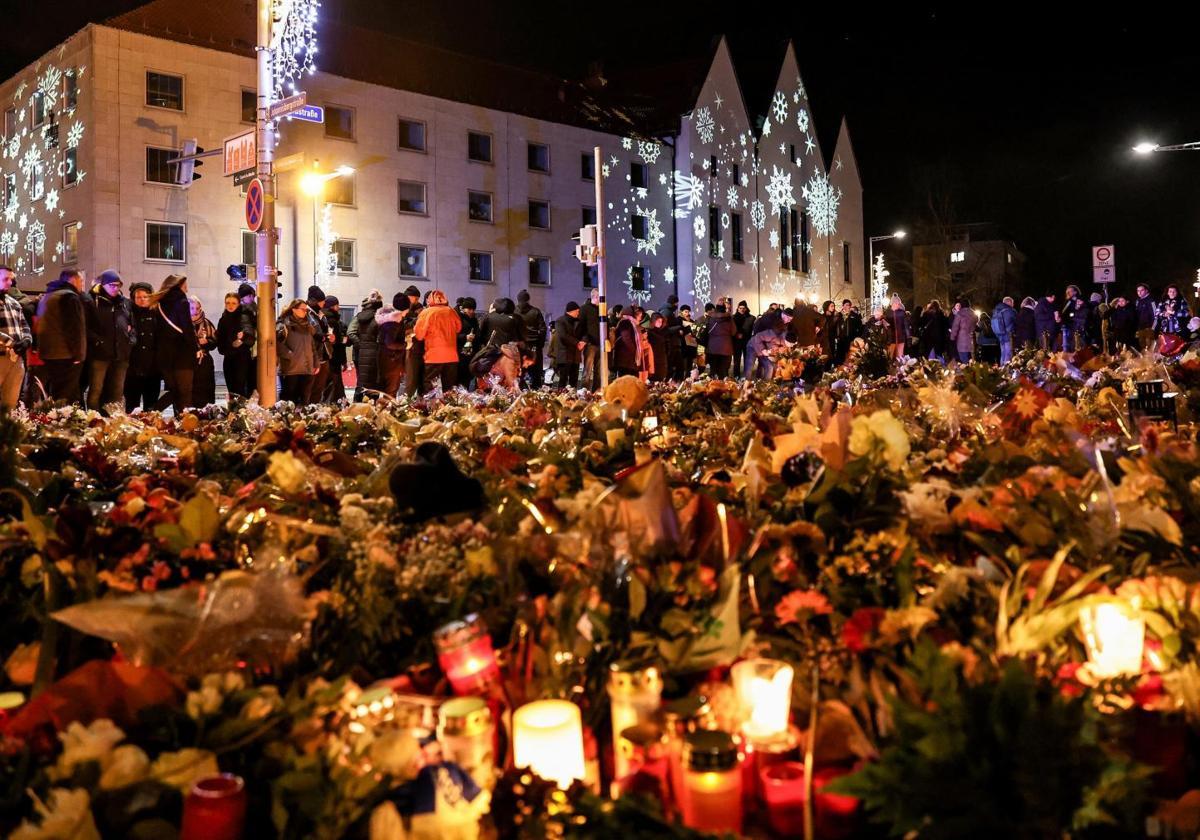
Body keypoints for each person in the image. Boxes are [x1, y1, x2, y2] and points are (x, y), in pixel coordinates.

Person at [84, 270, 135, 411]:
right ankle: (94, 418)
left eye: (118, 285)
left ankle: (114, 420)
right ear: (103, 285)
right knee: (96, 389)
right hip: (100, 354)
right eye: (112, 285)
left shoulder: (124, 303)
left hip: (121, 354)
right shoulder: (92, 301)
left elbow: (132, 325)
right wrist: (98, 342)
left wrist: (130, 340)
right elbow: (86, 327)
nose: (116, 288)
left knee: (117, 390)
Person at [35, 268, 88, 403]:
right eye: (81, 280)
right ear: (73, 280)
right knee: (67, 395)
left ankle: (55, 420)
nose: (82, 284)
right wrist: (78, 354)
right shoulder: (69, 297)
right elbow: (74, 328)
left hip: (49, 353)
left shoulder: (48, 296)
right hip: (66, 354)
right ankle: (65, 423)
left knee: (55, 392)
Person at [151, 274, 198, 414]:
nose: (187, 288)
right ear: (180, 285)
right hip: (182, 354)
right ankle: (184, 422)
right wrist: (195, 348)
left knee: (174, 390)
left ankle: (152, 412)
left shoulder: (159, 303)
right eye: (185, 285)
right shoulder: (182, 301)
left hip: (164, 355)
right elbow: (187, 328)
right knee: (185, 392)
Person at [413, 289, 462, 393]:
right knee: (449, 388)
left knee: (430, 387)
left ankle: (432, 408)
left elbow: (419, 335)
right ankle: (450, 408)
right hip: (451, 356)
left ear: (429, 300)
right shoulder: (451, 311)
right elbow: (459, 328)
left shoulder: (426, 312)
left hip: (433, 356)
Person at [124, 282, 160, 411]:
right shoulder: (128, 313)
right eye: (138, 297)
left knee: (151, 404)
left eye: (145, 297)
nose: (142, 300)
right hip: (133, 366)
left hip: (153, 366)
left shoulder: (157, 313)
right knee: (132, 404)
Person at [0, 266, 31, 409]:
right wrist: (12, 343)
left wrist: (26, 340)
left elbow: (24, 325)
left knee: (11, 401)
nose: (10, 283)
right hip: (2, 356)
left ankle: (8, 429)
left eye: (11, 279)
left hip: (16, 359)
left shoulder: (14, 303)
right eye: (5, 279)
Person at [216, 291, 257, 401]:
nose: (230, 305)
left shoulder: (243, 317)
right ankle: (234, 414)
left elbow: (250, 338)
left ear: (239, 304)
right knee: (231, 390)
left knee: (240, 389)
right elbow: (219, 342)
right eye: (228, 303)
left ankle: (240, 413)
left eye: (233, 303)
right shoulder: (223, 319)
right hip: (229, 358)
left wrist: (242, 338)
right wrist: (229, 346)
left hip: (241, 359)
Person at [277, 298, 318, 404]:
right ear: (294, 309)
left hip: (307, 369)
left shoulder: (307, 326)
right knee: (289, 401)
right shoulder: (284, 324)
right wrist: (290, 355)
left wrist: (316, 362)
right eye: (302, 309)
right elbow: (277, 344)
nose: (305, 312)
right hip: (291, 370)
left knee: (304, 401)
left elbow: (312, 346)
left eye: (306, 310)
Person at [347, 290, 383, 402]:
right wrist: (361, 344)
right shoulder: (377, 318)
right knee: (373, 382)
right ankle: (370, 405)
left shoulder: (360, 317)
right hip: (371, 352)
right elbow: (351, 332)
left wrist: (361, 345)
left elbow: (351, 332)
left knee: (362, 381)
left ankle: (357, 405)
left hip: (361, 354)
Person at [376, 293, 410, 398]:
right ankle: (387, 413)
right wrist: (405, 344)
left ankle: (386, 411)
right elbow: (390, 343)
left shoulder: (389, 320)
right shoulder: (394, 322)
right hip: (391, 359)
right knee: (391, 390)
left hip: (387, 358)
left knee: (388, 389)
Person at [305, 285, 333, 404]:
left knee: (319, 388)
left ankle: (315, 412)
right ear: (313, 301)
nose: (323, 304)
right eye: (321, 301)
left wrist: (331, 337)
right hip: (312, 357)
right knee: (308, 388)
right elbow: (308, 333)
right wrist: (319, 337)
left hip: (324, 356)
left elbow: (326, 331)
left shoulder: (321, 315)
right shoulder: (306, 314)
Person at [515, 291, 547, 389]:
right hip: (534, 345)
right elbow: (543, 329)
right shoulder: (535, 311)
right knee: (536, 375)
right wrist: (540, 344)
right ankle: (536, 397)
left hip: (519, 346)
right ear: (528, 299)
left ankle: (519, 395)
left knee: (519, 374)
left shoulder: (514, 312)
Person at [551, 301, 584, 387]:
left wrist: (583, 342)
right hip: (564, 355)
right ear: (571, 311)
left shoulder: (578, 322)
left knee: (574, 380)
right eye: (577, 311)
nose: (578, 312)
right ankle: (561, 398)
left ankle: (573, 398)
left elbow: (584, 333)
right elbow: (563, 335)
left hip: (575, 355)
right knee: (563, 379)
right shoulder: (560, 321)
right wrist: (577, 343)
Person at [323, 296, 348, 402]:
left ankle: (338, 404)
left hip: (330, 357)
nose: (339, 307)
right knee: (334, 385)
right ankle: (335, 406)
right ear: (332, 306)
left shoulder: (328, 318)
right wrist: (342, 339)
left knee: (334, 385)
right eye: (337, 305)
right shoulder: (332, 320)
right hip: (333, 357)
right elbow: (338, 343)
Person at [612, 305, 646, 378]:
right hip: (625, 359)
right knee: (626, 381)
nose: (640, 317)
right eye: (638, 314)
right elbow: (626, 338)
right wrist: (635, 350)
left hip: (630, 359)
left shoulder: (633, 324)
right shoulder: (625, 322)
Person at [704, 303, 734, 378]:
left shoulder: (710, 318)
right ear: (724, 309)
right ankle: (724, 387)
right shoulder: (729, 319)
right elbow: (733, 332)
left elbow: (706, 331)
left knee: (713, 371)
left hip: (712, 348)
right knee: (724, 372)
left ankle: (712, 387)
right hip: (726, 349)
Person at [580, 289, 602, 389]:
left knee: (599, 371)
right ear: (595, 297)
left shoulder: (601, 310)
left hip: (600, 344)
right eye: (600, 297)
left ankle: (596, 392)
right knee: (587, 371)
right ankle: (585, 391)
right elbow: (581, 326)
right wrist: (585, 339)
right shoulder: (585, 309)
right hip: (590, 344)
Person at [455, 297, 479, 386]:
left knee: (467, 378)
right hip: (459, 353)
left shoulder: (474, 320)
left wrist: (475, 338)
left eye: (473, 309)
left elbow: (478, 334)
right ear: (464, 309)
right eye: (469, 309)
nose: (472, 311)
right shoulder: (458, 318)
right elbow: (454, 335)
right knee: (458, 378)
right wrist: (465, 337)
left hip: (470, 353)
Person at [833, 299, 863, 364]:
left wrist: (856, 336)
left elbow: (860, 326)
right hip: (840, 339)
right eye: (846, 305)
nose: (848, 307)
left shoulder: (854, 315)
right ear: (843, 306)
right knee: (840, 356)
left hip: (851, 339)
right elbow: (834, 326)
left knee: (850, 355)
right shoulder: (838, 315)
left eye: (849, 305)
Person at [949, 298, 978, 363]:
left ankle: (966, 370)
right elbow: (976, 322)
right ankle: (972, 370)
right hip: (972, 338)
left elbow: (955, 326)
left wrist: (952, 337)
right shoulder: (973, 313)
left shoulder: (960, 314)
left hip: (962, 339)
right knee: (972, 357)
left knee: (963, 357)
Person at [1061, 285, 1087, 351]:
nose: (1068, 293)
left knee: (1080, 341)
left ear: (1075, 292)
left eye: (1070, 291)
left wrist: (1078, 308)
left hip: (1080, 324)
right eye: (1067, 292)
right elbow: (1063, 312)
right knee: (1071, 342)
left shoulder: (1081, 300)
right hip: (1070, 325)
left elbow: (1085, 312)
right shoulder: (1068, 302)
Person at [991, 296, 1016, 364]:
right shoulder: (1010, 311)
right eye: (1012, 303)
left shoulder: (996, 311)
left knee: (1003, 353)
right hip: (1008, 336)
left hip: (1000, 335)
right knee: (1008, 354)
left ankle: (1001, 369)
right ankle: (1006, 371)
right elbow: (1016, 322)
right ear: (1009, 302)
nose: (1013, 305)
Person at [732, 300, 755, 376]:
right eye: (740, 308)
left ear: (746, 308)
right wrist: (736, 334)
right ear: (738, 308)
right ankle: (736, 375)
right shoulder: (733, 318)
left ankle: (746, 375)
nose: (742, 309)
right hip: (737, 342)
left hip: (747, 341)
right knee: (736, 360)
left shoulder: (751, 318)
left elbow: (752, 330)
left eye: (743, 308)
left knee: (747, 359)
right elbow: (732, 329)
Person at [1134, 284, 1157, 349]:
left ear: (1146, 291)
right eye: (1138, 291)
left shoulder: (1151, 301)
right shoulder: (1138, 301)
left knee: (1149, 347)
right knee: (1142, 347)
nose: (1139, 292)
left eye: (1142, 290)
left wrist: (1153, 328)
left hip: (1149, 328)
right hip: (1140, 328)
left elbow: (1155, 314)